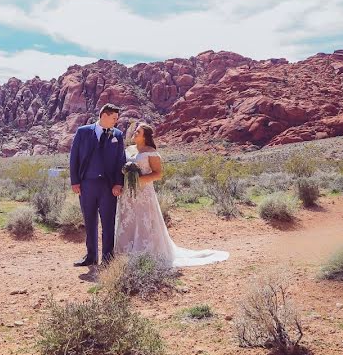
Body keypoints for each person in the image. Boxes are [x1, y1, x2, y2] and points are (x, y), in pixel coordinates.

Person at [114, 123, 229, 267]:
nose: (135, 133)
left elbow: (158, 174)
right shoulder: (128, 150)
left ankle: (146, 253)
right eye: (135, 131)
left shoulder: (150, 151)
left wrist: (138, 179)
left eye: (138, 132)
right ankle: (125, 253)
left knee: (144, 220)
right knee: (127, 219)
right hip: (127, 194)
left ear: (145, 136)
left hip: (144, 193)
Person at [69, 103, 126, 266]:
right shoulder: (83, 132)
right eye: (114, 118)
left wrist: (118, 183)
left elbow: (120, 161)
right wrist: (75, 181)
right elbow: (74, 158)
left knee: (108, 222)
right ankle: (91, 256)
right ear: (104, 116)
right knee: (90, 221)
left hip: (108, 187)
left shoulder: (118, 135)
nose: (116, 121)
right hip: (86, 185)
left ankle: (108, 258)